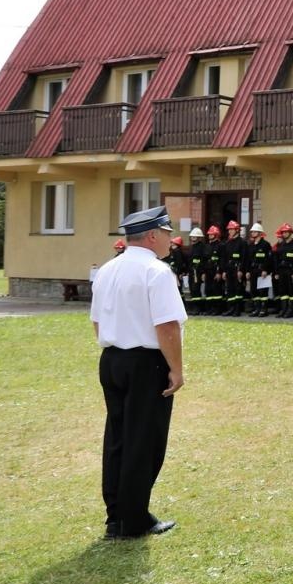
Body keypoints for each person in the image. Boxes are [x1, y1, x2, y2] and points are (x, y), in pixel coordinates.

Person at [90, 205, 185, 539]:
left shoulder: (107, 269)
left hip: (112, 359)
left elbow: (97, 321)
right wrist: (176, 369)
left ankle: (116, 516)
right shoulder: (156, 272)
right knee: (144, 441)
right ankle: (135, 520)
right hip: (147, 362)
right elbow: (167, 327)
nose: (172, 239)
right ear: (153, 235)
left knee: (117, 438)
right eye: (168, 233)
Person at [271, 223, 293, 319]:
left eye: (286, 232)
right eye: (283, 232)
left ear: (290, 233)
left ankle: (290, 310)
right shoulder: (281, 245)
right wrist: (276, 272)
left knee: (291, 291)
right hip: (281, 271)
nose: (284, 234)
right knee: (282, 291)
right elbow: (276, 259)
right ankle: (283, 310)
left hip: (291, 271)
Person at [244, 222, 273, 318]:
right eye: (252, 232)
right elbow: (248, 259)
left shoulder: (265, 245)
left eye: (255, 231)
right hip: (253, 270)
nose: (252, 233)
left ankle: (264, 310)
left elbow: (268, 259)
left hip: (262, 271)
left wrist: (265, 270)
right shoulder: (251, 245)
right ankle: (257, 309)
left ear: (260, 233)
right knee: (254, 290)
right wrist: (247, 271)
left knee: (263, 291)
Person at [219, 219, 244, 316]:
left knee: (238, 289)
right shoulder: (227, 243)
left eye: (231, 229)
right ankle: (231, 308)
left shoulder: (242, 243)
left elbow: (244, 258)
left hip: (237, 269)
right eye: (229, 230)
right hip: (229, 269)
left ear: (237, 230)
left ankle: (237, 309)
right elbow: (224, 258)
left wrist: (241, 270)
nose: (229, 231)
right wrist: (224, 271)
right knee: (230, 289)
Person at [186, 226, 208, 316]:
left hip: (198, 272)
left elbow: (204, 259)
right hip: (192, 272)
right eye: (192, 236)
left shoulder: (202, 247)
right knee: (192, 290)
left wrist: (203, 272)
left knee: (197, 290)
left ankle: (198, 308)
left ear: (199, 238)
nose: (193, 238)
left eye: (195, 236)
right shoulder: (192, 247)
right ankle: (194, 307)